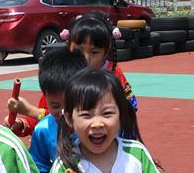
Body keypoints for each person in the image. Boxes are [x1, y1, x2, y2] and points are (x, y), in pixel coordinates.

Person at [8, 11, 138, 135]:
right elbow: (47, 116)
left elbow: (127, 112)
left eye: (94, 52)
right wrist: (22, 123)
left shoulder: (112, 76)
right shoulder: (62, 76)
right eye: (79, 50)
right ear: (68, 45)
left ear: (106, 52)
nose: (86, 58)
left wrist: (32, 111)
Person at [28, 48, 89, 173]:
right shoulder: (43, 130)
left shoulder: (96, 126)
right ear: (45, 97)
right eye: (55, 106)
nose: (63, 112)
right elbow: (39, 171)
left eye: (71, 105)